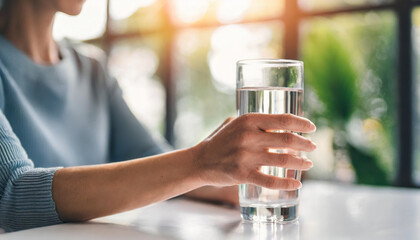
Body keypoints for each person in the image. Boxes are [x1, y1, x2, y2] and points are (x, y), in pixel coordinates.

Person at [0, 0, 316, 232]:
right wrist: (204, 161)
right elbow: (12, 194)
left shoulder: (91, 70)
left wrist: (231, 182)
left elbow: (154, 158)